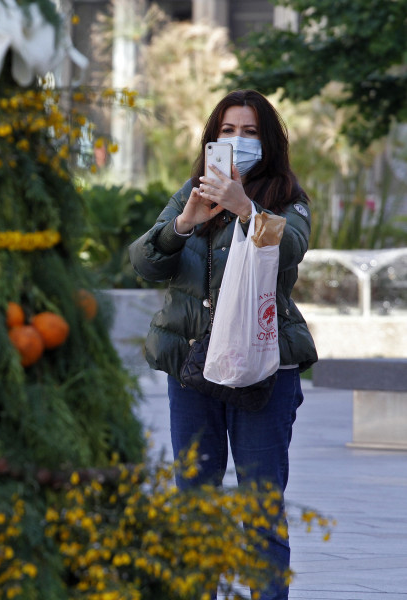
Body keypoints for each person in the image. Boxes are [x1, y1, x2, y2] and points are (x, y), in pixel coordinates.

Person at [128, 89, 318, 600]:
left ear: (269, 141)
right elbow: (144, 263)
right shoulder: (192, 191)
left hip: (263, 367)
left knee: (259, 506)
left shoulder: (286, 197)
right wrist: (184, 221)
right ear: (212, 138)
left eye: (250, 131)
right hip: (192, 367)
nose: (237, 140)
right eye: (228, 131)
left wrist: (246, 209)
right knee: (195, 504)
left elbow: (291, 247)